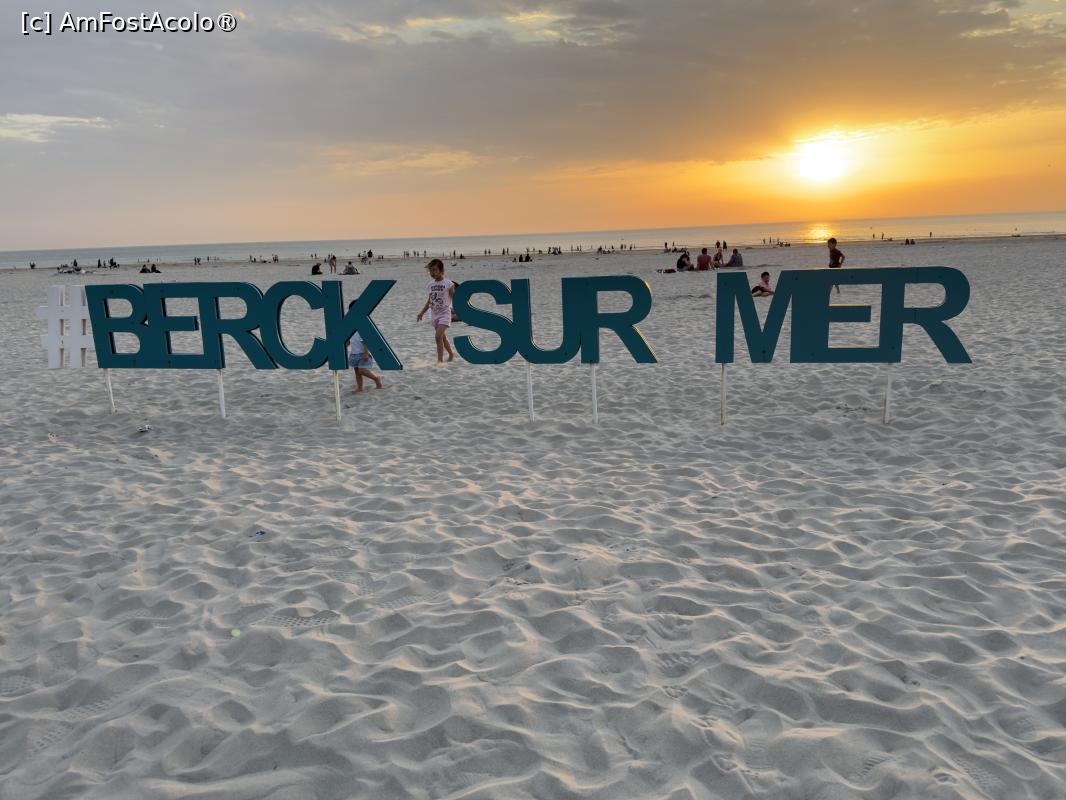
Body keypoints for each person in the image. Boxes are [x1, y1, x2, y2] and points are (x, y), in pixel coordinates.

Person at [416, 259, 456, 363]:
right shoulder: (430, 285)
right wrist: (421, 312)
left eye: (434, 270)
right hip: (434, 314)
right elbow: (430, 301)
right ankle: (451, 354)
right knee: (442, 338)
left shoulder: (449, 283)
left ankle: (440, 361)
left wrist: (459, 310)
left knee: (438, 337)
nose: (432, 273)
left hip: (445, 313)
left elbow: (455, 298)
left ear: (441, 270)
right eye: (430, 271)